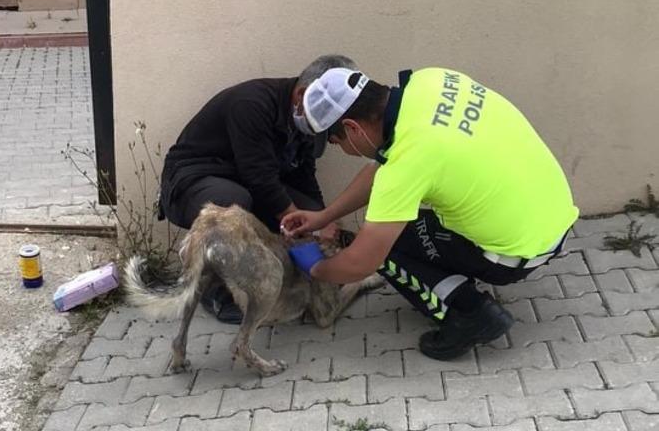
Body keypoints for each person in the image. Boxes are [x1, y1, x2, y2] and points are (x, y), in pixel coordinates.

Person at [281, 66, 578, 360]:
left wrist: (317, 269)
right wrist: (324, 216)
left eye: (334, 141)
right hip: (552, 218)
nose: (337, 146)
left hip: (518, 253)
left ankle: (471, 313)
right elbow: (383, 169)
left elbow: (361, 262)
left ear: (352, 128)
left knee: (386, 249)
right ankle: (460, 274)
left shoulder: (407, 164)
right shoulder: (430, 82)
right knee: (403, 226)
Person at [159, 55, 357, 324]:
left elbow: (304, 177)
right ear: (301, 95)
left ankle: (298, 279)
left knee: (307, 213)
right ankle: (213, 289)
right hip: (194, 182)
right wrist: (305, 223)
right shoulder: (252, 105)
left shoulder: (308, 121)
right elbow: (260, 178)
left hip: (246, 183)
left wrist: (321, 217)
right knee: (234, 204)